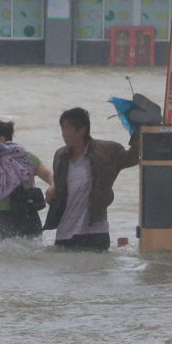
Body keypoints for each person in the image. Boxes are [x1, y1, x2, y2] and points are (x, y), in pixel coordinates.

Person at [43, 106, 141, 252]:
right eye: (62, 129)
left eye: (67, 128)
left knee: (95, 273)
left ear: (82, 129)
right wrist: (52, 190)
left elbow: (134, 157)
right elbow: (58, 183)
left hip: (96, 231)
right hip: (65, 233)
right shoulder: (60, 156)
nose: (63, 133)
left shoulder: (107, 151)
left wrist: (138, 130)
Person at [0, 119, 54, 240]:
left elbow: (49, 176)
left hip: (7, 219)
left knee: (2, 256)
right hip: (28, 217)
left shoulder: (26, 158)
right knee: (32, 256)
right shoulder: (26, 157)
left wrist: (53, 187)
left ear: (1, 140)